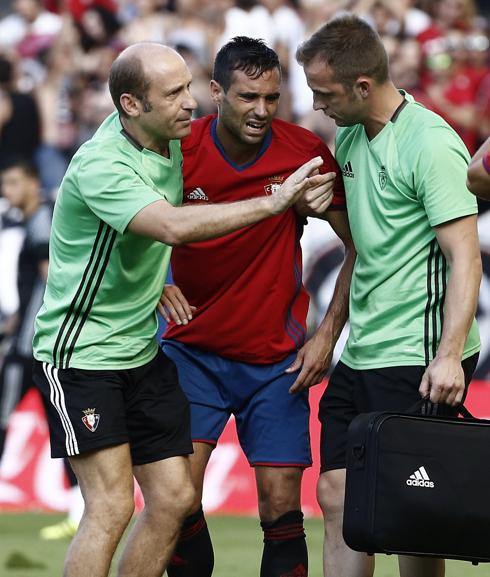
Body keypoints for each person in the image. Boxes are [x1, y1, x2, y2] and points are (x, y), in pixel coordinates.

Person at [31, 42, 332, 577]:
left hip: (143, 354)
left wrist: (158, 281)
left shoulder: (170, 142)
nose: (190, 104)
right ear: (131, 105)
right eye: (173, 94)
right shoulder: (103, 164)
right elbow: (169, 224)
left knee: (172, 500)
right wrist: (274, 202)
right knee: (112, 506)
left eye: (187, 88)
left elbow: (163, 232)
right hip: (84, 356)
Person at [160, 36, 355, 577]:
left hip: (276, 361)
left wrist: (327, 334)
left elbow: (360, 246)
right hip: (188, 351)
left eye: (271, 98)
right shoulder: (178, 149)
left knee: (280, 507)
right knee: (176, 500)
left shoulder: (305, 153)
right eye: (248, 97)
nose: (262, 111)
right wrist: (154, 283)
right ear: (217, 92)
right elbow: (130, 224)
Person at [295, 14, 481, 577]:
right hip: (362, 349)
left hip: (417, 352)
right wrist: (327, 334)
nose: (316, 105)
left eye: (324, 93)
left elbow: (465, 257)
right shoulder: (349, 135)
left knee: (410, 513)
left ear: (362, 86)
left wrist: (448, 355)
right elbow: (361, 248)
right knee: (335, 493)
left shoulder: (431, 143)